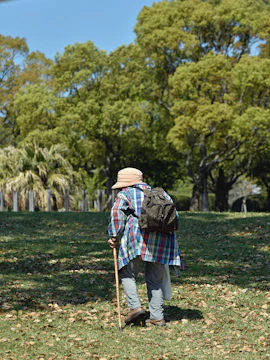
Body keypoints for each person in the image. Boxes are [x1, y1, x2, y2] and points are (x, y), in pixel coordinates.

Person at [108, 167, 181, 327]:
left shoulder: (126, 194)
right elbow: (175, 216)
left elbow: (116, 213)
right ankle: (157, 317)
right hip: (162, 240)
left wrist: (114, 235)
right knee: (155, 280)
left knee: (127, 272)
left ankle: (134, 307)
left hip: (137, 238)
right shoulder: (161, 193)